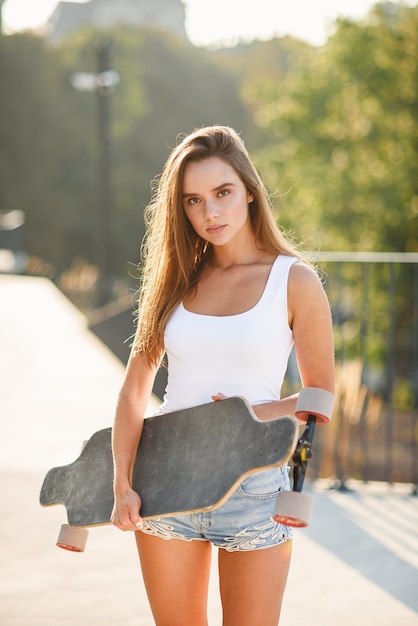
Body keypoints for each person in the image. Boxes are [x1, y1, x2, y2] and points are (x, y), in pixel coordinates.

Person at [111, 125, 335, 626]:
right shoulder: (174, 280)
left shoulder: (293, 280)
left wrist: (241, 417)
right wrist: (123, 482)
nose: (209, 213)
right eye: (193, 200)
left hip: (254, 487)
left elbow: (321, 396)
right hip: (164, 482)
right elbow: (133, 392)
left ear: (250, 193)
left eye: (223, 193)